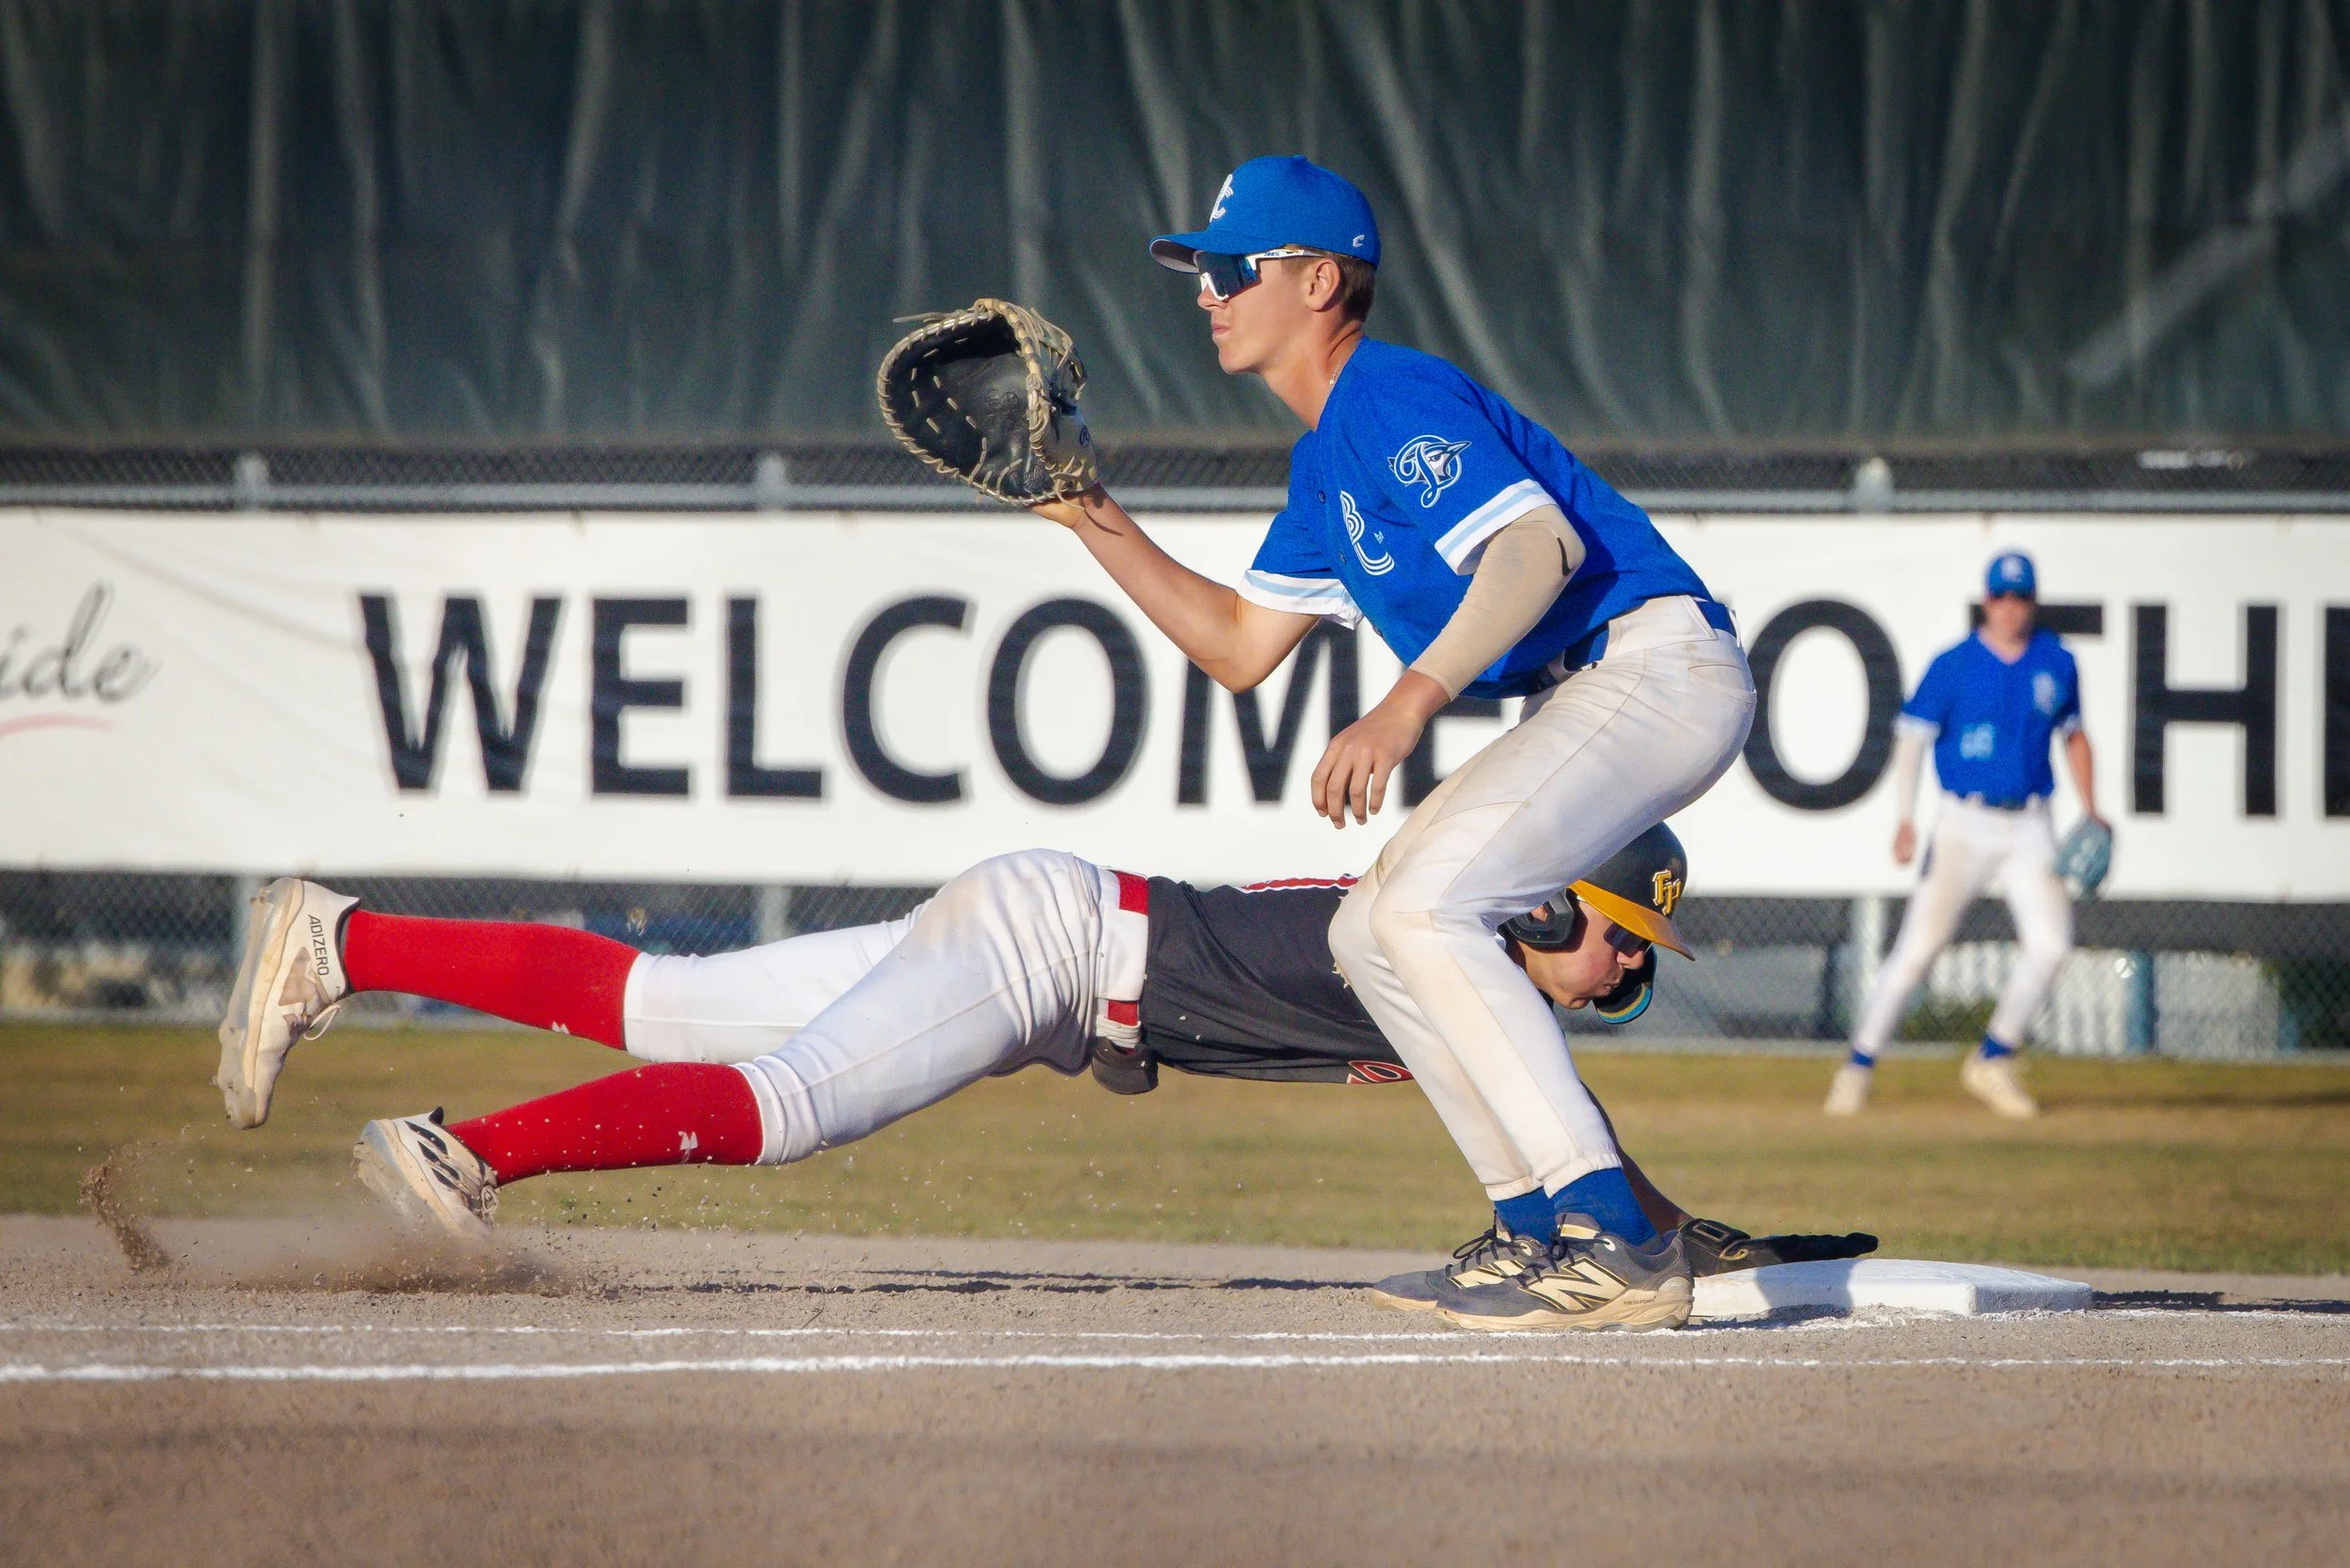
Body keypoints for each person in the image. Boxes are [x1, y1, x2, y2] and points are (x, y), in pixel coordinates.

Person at [1025, 156, 1755, 1327]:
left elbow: (1537, 555)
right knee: (1369, 928)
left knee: (1426, 909)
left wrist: (1406, 703)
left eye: (1228, 268)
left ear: (1319, 282)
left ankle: (1616, 1238)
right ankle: (1533, 1230)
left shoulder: (1387, 394)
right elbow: (1236, 645)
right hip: (1604, 686)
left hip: (1657, 666)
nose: (1204, 292)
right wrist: (1083, 510)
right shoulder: (1327, 460)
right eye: (1198, 273)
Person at [215, 828, 1865, 1330]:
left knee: (669, 1002)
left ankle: (342, 937)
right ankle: (465, 1149)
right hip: (1058, 952)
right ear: (1559, 900)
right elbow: (1569, 1144)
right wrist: (1684, 1235)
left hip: (1066, 951)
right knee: (787, 1099)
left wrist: (1703, 1228)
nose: (1628, 970)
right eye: (1625, 939)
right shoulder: (1477, 942)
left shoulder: (1454, 953)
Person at [1825, 550, 2106, 1120]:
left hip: (2031, 821)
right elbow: (1911, 740)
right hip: (1964, 823)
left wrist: (2094, 810)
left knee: (2052, 946)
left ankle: (1993, 1056)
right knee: (1917, 952)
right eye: (2000, 597)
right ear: (1985, 601)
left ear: (2032, 601)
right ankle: (1857, 1067)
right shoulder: (1954, 664)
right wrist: (1905, 818)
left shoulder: (2056, 661)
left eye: (2019, 596)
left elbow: (2075, 736)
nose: (2009, 607)